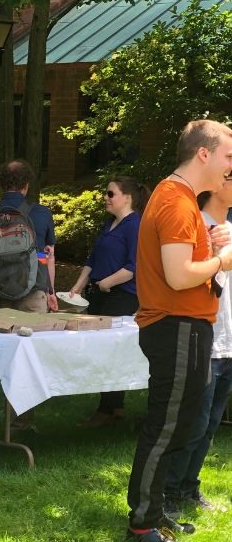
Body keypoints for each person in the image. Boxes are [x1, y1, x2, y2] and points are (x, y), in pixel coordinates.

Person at [125, 119, 232, 542]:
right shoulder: (176, 201)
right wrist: (223, 262)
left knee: (181, 424)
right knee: (167, 427)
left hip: (187, 327)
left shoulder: (181, 199)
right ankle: (143, 523)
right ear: (202, 154)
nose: (231, 166)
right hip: (176, 327)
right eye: (228, 155)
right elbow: (179, 275)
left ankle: (155, 513)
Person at [162, 183, 232, 520]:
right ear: (219, 186)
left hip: (229, 342)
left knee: (211, 423)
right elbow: (180, 276)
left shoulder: (230, 230)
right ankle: (169, 491)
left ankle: (189, 486)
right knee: (193, 422)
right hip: (203, 339)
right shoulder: (196, 226)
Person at [70, 177, 148, 428]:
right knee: (101, 350)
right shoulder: (110, 223)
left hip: (122, 295)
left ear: (127, 198)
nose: (106, 197)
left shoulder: (135, 225)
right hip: (101, 294)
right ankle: (114, 406)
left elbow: (134, 267)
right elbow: (93, 257)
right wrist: (79, 284)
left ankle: (108, 408)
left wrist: (107, 282)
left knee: (110, 350)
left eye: (111, 194)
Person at [0, 159, 56, 312]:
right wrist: (51, 291)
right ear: (26, 186)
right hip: (32, 295)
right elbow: (48, 256)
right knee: (32, 336)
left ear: (0, 185)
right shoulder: (42, 214)